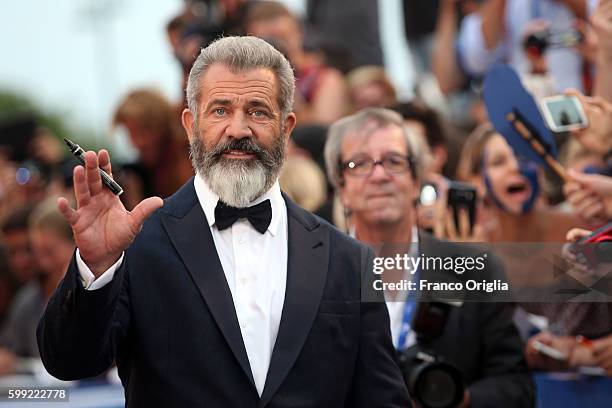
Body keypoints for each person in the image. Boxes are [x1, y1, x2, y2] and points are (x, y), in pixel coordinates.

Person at [37, 36, 410, 407]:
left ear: (287, 127)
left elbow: (381, 399)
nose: (238, 129)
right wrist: (96, 268)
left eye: (258, 111)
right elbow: (70, 362)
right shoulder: (137, 246)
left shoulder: (347, 259)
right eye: (220, 110)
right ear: (190, 124)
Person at [324, 108, 535, 407]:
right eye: (360, 163)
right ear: (342, 188)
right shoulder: (313, 274)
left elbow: (517, 387)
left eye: (394, 161)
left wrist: (460, 400)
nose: (380, 175)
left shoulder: (474, 270)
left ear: (416, 180)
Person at [0, 197, 75, 375]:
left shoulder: (101, 291)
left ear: (77, 243)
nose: (44, 263)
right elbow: (10, 352)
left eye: (49, 252)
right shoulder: (27, 301)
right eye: (38, 252)